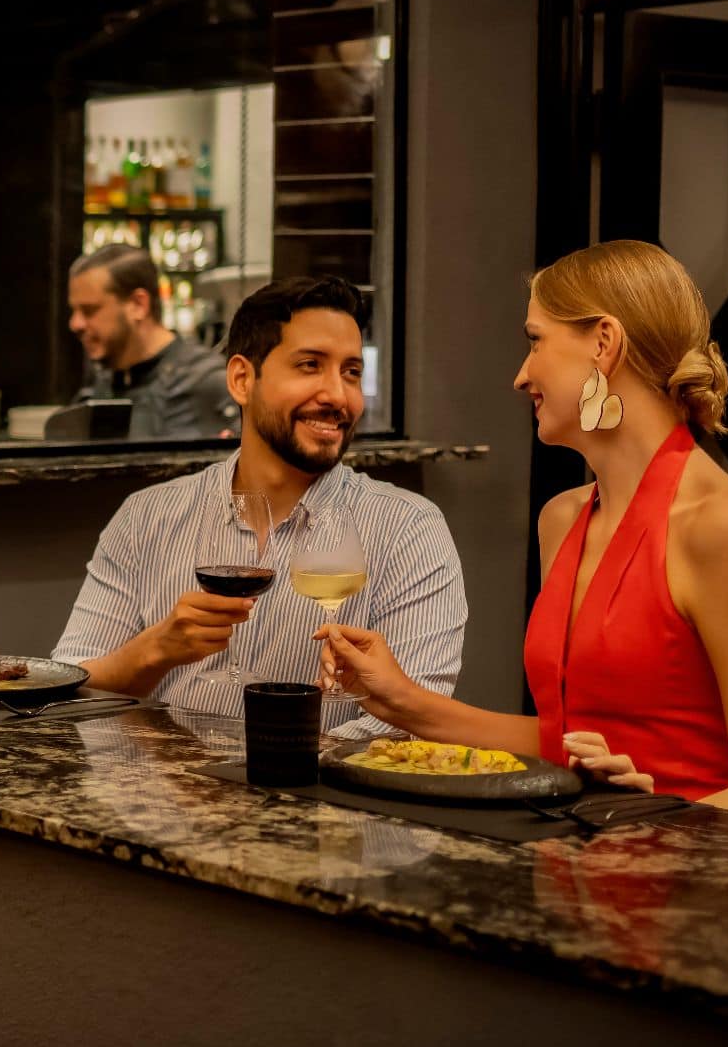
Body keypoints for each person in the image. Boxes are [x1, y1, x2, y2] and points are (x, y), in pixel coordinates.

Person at [320, 240, 728, 821]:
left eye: (535, 341)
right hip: (576, 854)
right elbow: (565, 742)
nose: (520, 375)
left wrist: (657, 822)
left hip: (696, 871)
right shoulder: (561, 519)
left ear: (603, 344)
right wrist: (400, 699)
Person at [53, 276, 464, 731]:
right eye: (310, 365)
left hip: (314, 779)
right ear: (242, 379)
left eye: (351, 372)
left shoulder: (407, 528)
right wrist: (155, 651)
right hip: (153, 776)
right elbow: (69, 688)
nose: (337, 395)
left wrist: (258, 766)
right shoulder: (147, 517)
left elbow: (411, 722)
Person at [67, 243, 235, 440]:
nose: (75, 324)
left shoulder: (207, 383)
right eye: (74, 311)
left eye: (89, 310)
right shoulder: (99, 388)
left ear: (138, 304)